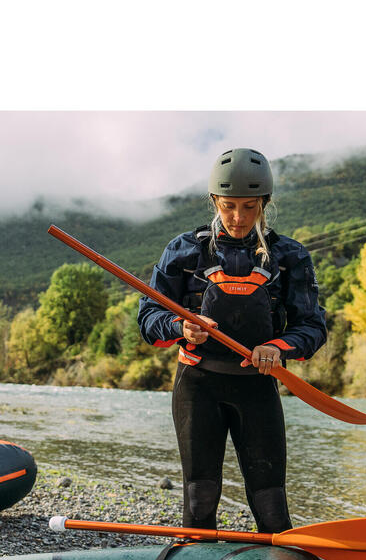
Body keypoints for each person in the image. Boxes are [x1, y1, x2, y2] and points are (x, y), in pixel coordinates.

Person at [138, 148, 326, 533]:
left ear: (265, 203)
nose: (238, 218)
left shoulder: (289, 256)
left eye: (249, 207)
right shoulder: (183, 251)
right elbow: (148, 318)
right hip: (197, 387)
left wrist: (278, 347)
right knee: (200, 498)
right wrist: (180, 327)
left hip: (257, 389)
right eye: (228, 207)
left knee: (271, 506)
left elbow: (312, 327)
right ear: (214, 202)